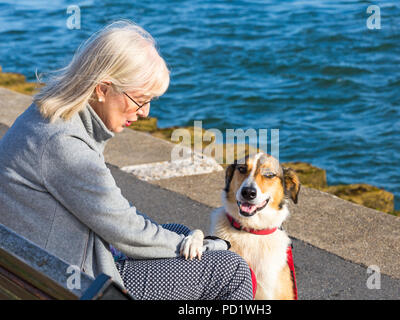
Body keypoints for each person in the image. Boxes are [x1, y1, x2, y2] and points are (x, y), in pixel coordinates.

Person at [0, 20, 253, 300]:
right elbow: (127, 233)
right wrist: (211, 245)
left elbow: (115, 217)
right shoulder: (65, 145)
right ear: (103, 88)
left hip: (45, 271)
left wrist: (190, 241)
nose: (145, 112)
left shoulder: (45, 118)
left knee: (179, 233)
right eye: (140, 99)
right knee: (230, 270)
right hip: (84, 286)